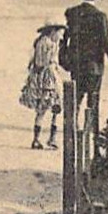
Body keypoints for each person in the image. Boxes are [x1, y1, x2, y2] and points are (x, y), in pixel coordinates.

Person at [60, 0, 108, 119]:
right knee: (93, 98)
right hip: (94, 65)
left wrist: (64, 57)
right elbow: (106, 41)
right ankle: (90, 126)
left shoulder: (72, 13)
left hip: (77, 63)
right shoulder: (100, 16)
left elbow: (66, 37)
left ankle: (72, 124)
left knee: (76, 96)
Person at [20, 16, 66, 149]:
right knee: (50, 107)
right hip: (47, 79)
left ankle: (43, 138)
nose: (61, 36)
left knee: (48, 108)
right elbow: (42, 62)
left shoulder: (45, 42)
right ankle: (46, 138)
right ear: (53, 31)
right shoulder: (47, 44)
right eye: (60, 33)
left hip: (45, 78)